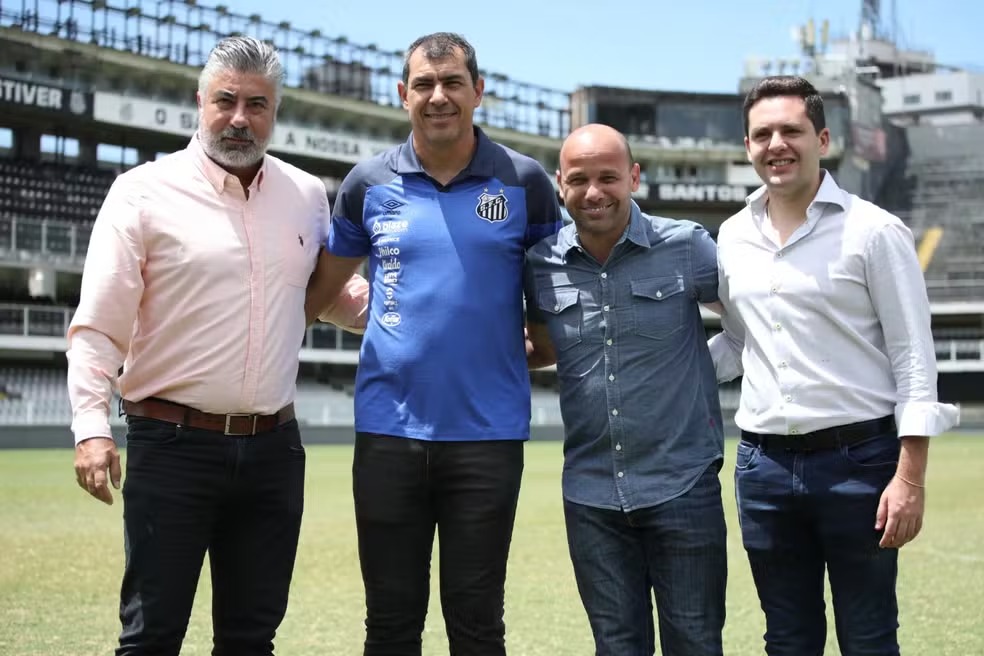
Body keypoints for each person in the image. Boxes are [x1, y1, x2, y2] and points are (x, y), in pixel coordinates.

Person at [68, 36, 367, 656]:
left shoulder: (307, 194)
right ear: (199, 101)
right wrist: (92, 428)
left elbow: (333, 295)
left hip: (273, 452)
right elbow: (99, 324)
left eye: (257, 104)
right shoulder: (141, 191)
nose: (240, 118)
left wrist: (427, 314)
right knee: (152, 635)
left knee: (252, 639)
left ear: (275, 111)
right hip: (172, 446)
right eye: (226, 100)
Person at [305, 31, 563, 656]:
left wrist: (514, 351)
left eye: (453, 84)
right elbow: (317, 295)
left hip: (488, 437)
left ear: (479, 92)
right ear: (403, 95)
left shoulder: (524, 182)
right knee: (390, 625)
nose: (438, 96)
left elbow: (554, 307)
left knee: (477, 626)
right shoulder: (367, 183)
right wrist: (391, 323)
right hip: (389, 434)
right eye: (424, 84)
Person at [709, 75, 960, 656]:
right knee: (787, 640)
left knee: (869, 639)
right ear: (747, 147)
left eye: (791, 130)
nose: (777, 144)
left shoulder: (875, 231)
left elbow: (914, 360)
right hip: (762, 467)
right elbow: (739, 343)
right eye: (762, 133)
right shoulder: (731, 237)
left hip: (861, 465)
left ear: (822, 138)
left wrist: (910, 477)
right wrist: (663, 368)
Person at [523, 124, 727, 656]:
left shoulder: (687, 247)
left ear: (634, 177)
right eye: (579, 179)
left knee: (696, 643)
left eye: (608, 177)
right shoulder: (539, 264)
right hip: (590, 494)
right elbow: (540, 348)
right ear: (560, 185)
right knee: (615, 646)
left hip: (683, 484)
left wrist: (708, 367)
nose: (594, 192)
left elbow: (756, 325)